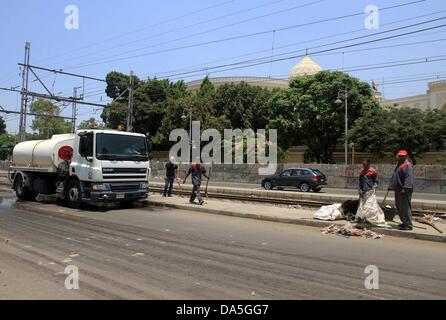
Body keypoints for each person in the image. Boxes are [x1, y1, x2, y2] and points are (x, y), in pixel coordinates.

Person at [356, 159, 388, 227]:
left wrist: (373, 188)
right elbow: (359, 183)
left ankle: (371, 219)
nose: (363, 165)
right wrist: (360, 191)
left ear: (369, 164)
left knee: (370, 206)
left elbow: (376, 181)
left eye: (364, 164)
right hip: (363, 192)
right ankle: (365, 219)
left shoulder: (373, 171)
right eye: (363, 164)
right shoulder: (362, 172)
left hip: (370, 192)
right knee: (363, 207)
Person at [388, 150, 414, 230]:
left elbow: (408, 177)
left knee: (405, 207)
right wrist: (391, 186)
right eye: (400, 156)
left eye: (403, 156)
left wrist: (405, 188)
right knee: (399, 206)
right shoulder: (399, 164)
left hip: (404, 189)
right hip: (398, 189)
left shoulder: (407, 165)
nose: (401, 157)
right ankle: (404, 222)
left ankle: (408, 225)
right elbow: (395, 176)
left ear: (406, 156)